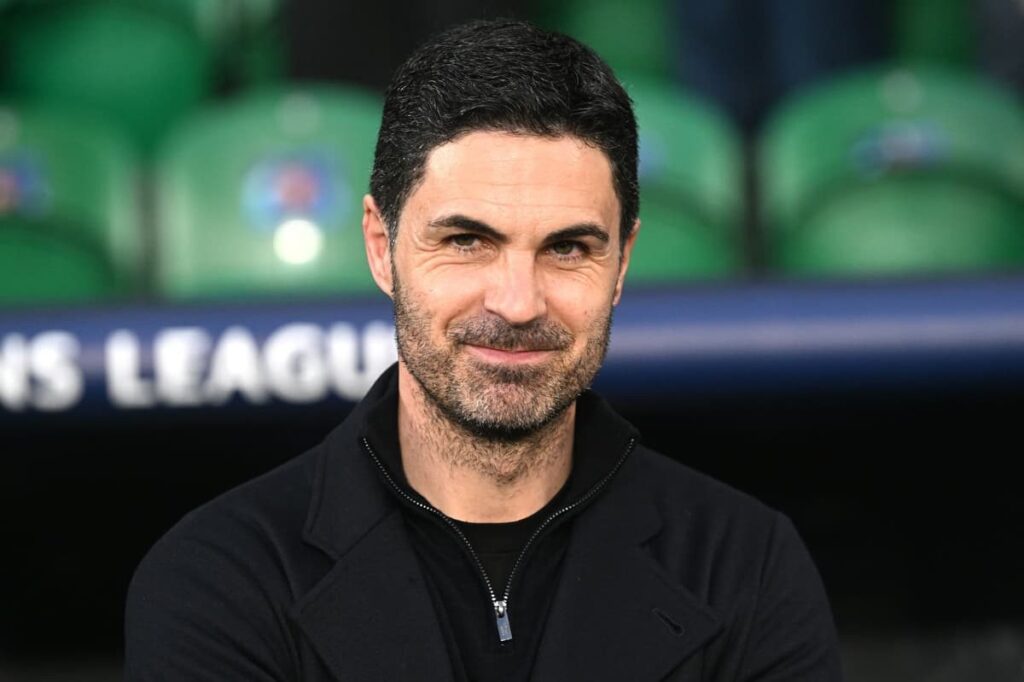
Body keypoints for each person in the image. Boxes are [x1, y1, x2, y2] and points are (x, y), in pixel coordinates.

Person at [125, 19, 842, 681]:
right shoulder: (219, 578)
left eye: (568, 249)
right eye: (467, 242)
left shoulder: (745, 564)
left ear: (622, 264)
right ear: (382, 246)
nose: (518, 302)